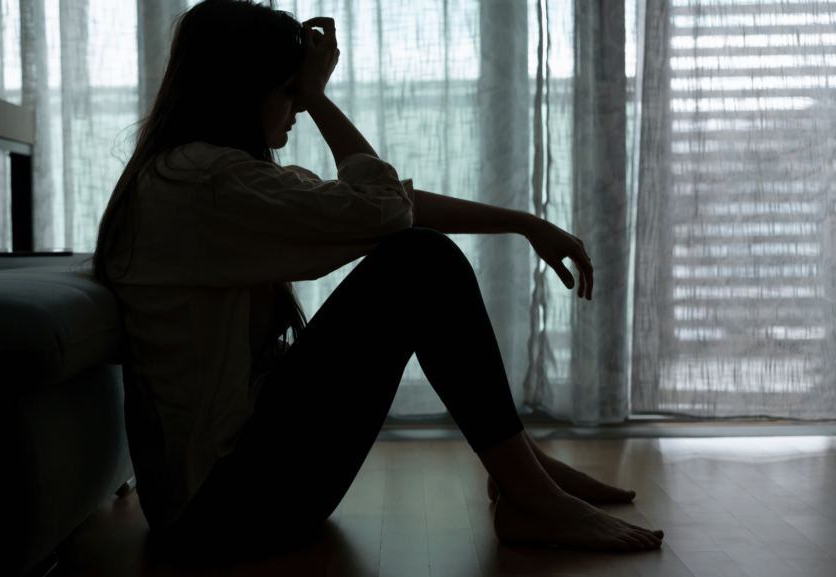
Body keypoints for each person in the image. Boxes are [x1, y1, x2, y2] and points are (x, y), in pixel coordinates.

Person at [88, 0, 664, 567]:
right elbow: (386, 209)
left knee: (416, 256)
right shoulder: (205, 182)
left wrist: (524, 224)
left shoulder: (197, 175)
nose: (293, 107)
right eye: (288, 89)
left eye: (298, 91)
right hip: (222, 511)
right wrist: (319, 98)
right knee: (419, 263)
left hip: (222, 497)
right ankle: (528, 492)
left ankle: (521, 471)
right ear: (245, 87)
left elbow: (386, 206)